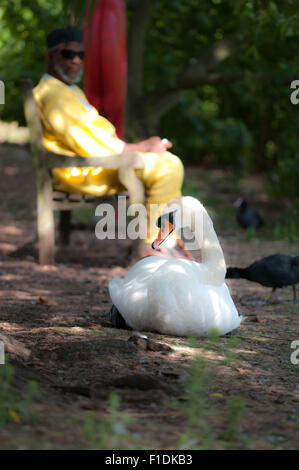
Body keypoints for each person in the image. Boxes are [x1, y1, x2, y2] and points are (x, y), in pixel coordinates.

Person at [34, 26, 184, 256]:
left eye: (80, 55)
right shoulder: (54, 93)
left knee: (167, 162)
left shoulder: (64, 89)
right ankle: (156, 246)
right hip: (82, 171)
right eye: (67, 54)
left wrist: (141, 148)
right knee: (166, 165)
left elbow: (91, 137)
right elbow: (87, 144)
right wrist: (140, 148)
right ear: (50, 56)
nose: (75, 61)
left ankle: (160, 242)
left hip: (90, 166)